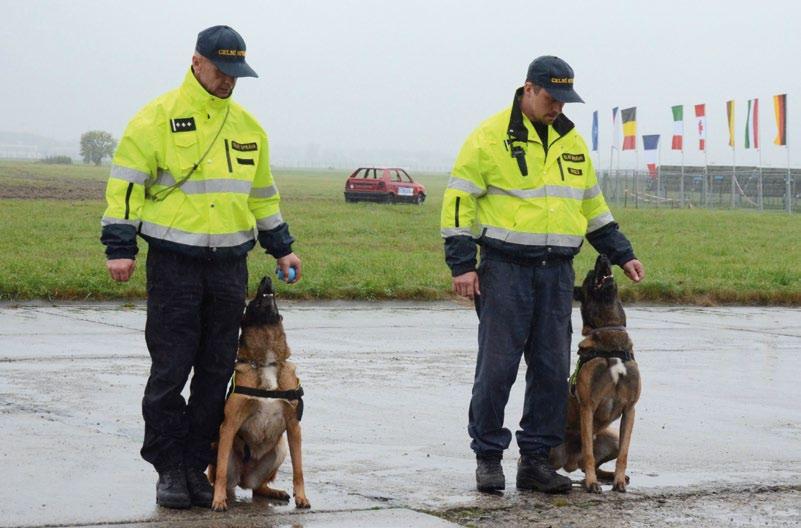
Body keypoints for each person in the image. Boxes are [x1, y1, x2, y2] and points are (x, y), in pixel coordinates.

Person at [100, 25, 302, 509]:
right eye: (221, 70)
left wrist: (282, 246)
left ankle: (197, 464)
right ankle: (169, 467)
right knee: (170, 370)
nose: (229, 81)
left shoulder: (249, 128)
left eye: (237, 73)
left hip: (230, 266)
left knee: (215, 372)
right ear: (196, 62)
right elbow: (126, 186)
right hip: (174, 264)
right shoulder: (156, 118)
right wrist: (119, 246)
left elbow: (262, 195)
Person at [440, 56, 644, 494]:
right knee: (497, 369)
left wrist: (622, 253)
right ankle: (488, 457)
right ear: (528, 89)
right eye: (551, 98)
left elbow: (592, 206)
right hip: (504, 270)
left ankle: (536, 460)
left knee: (552, 372)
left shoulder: (572, 143)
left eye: (565, 100)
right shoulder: (489, 137)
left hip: (556, 274)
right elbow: (459, 201)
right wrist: (462, 264)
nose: (558, 107)